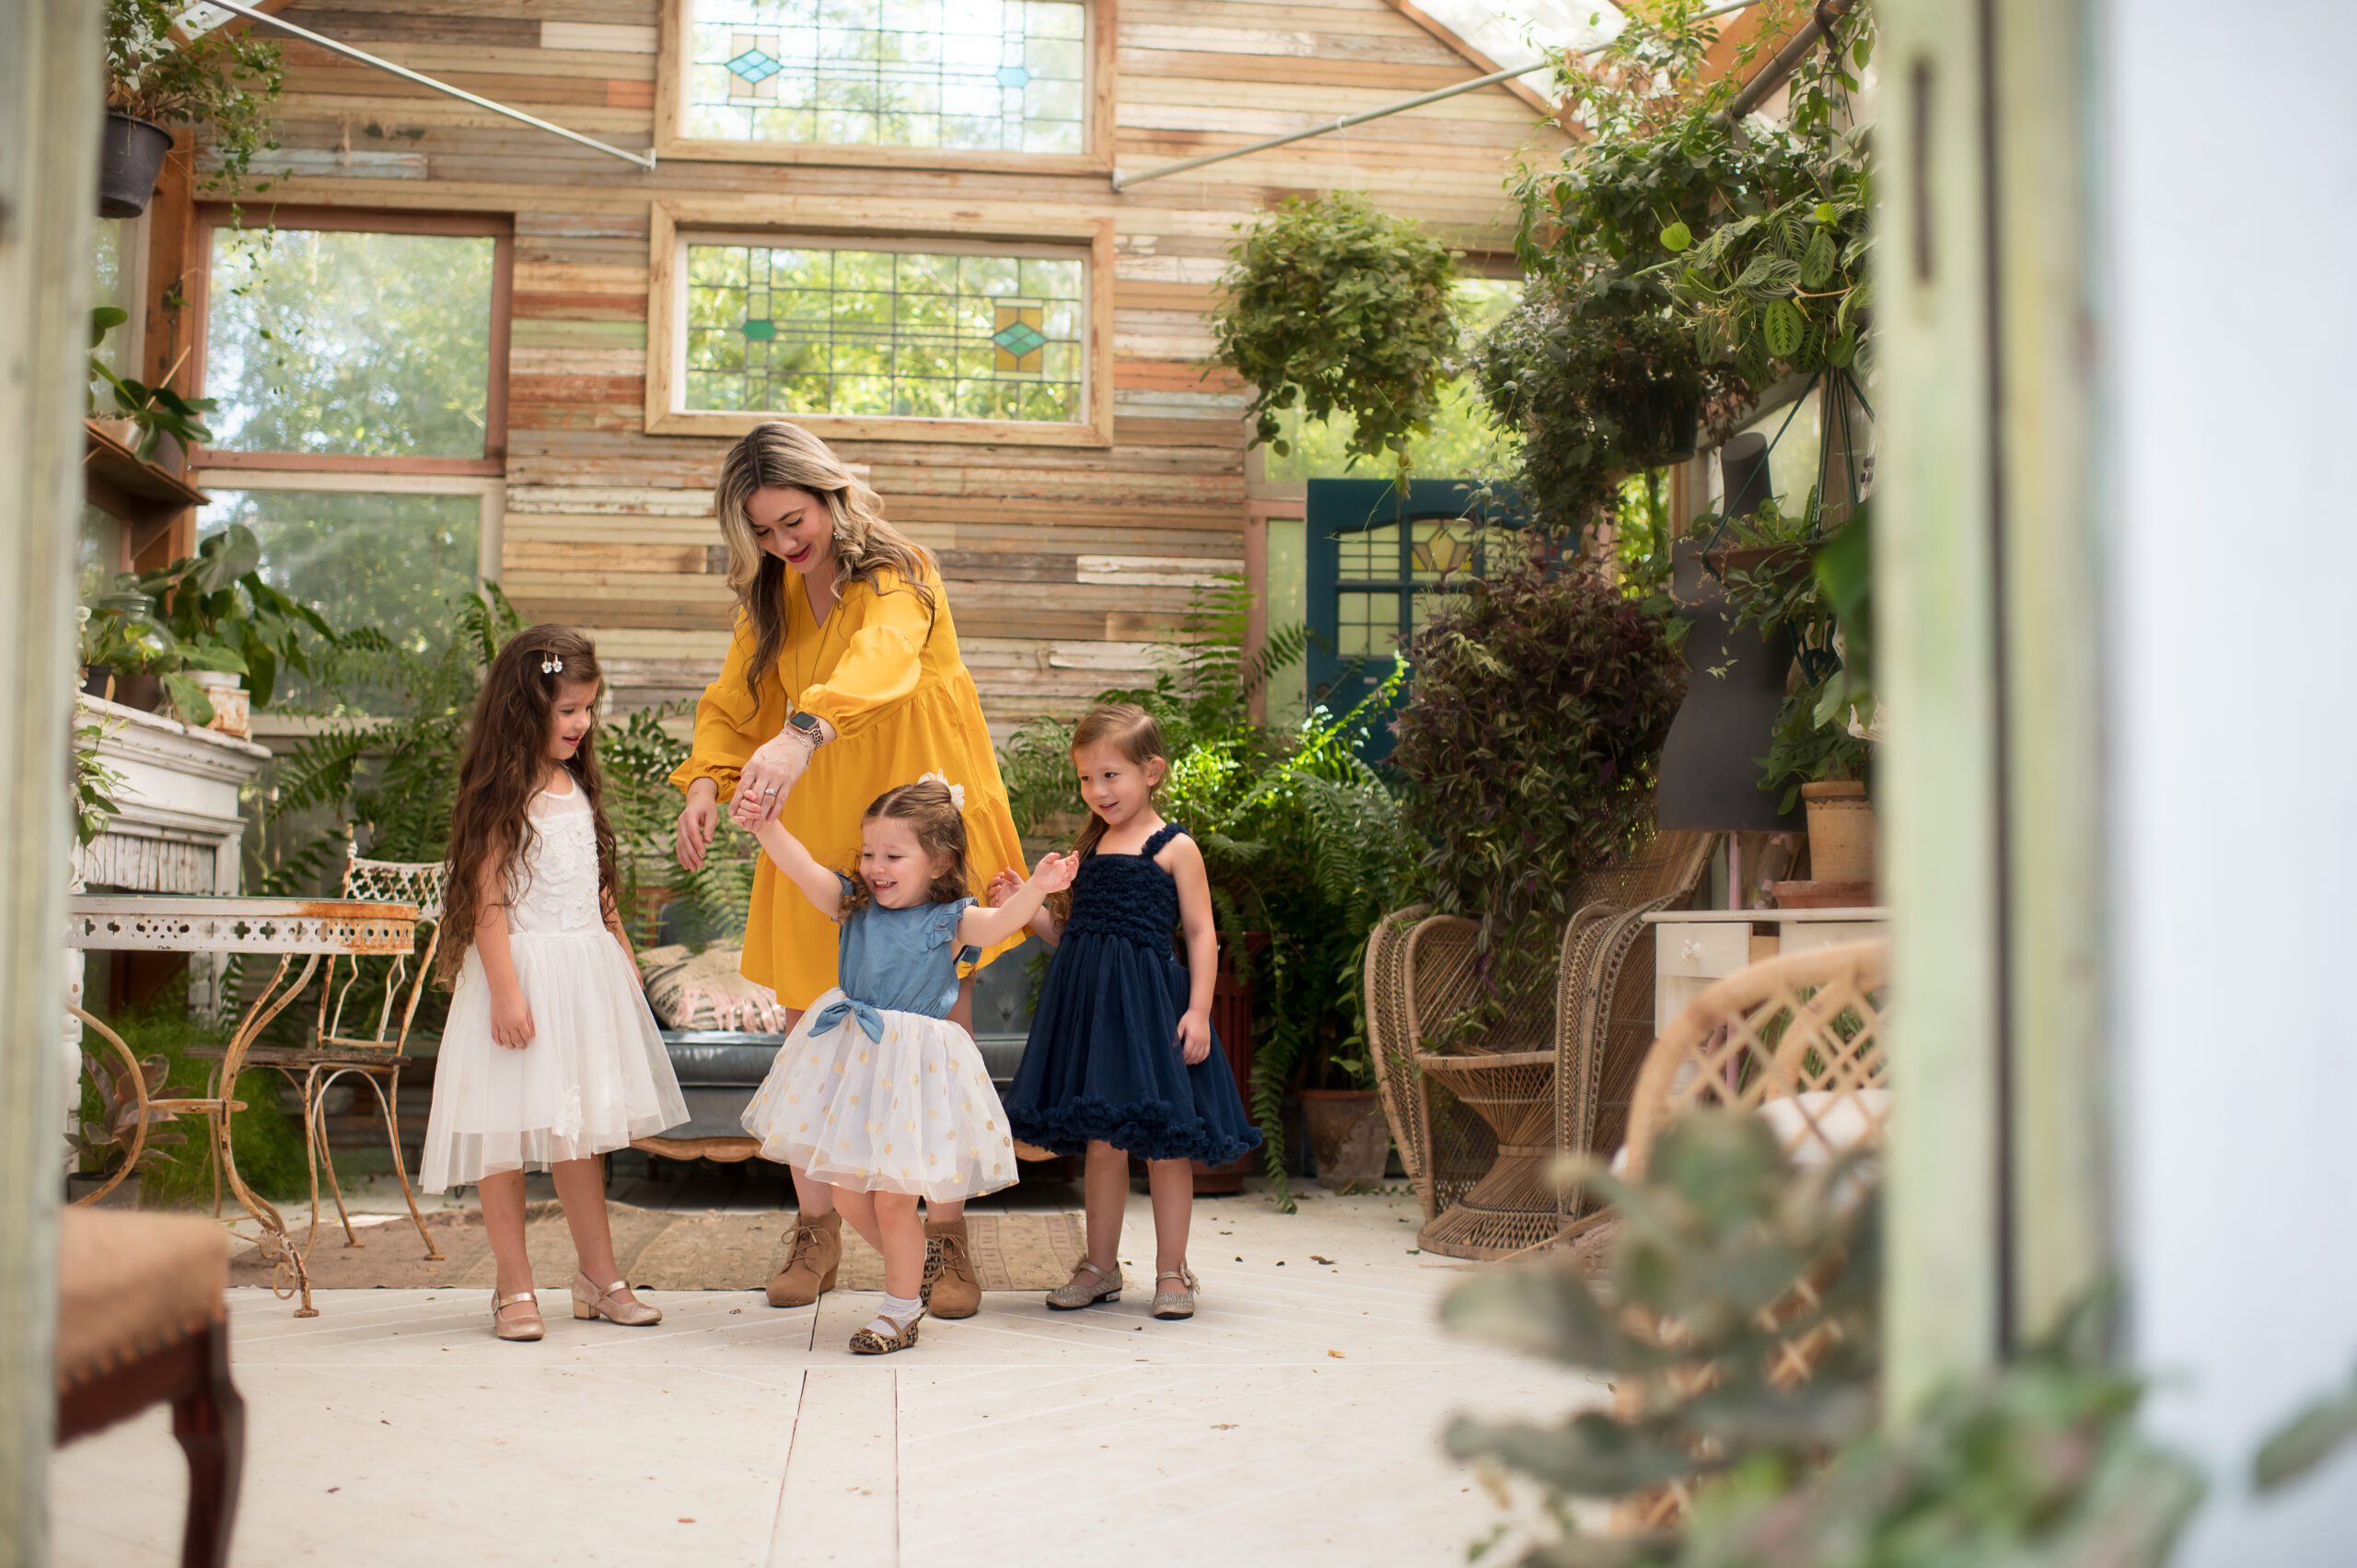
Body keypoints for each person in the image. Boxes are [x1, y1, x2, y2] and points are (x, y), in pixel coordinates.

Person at [670, 421, 1027, 1319]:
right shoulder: (774, 598)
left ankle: (944, 1238)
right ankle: (818, 1229)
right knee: (809, 1036)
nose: (784, 544)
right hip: (816, 821)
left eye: (794, 521)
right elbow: (735, 700)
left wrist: (802, 730)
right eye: (761, 530)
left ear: (831, 495)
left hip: (913, 813)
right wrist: (710, 781)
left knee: (928, 1032)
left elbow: (884, 661)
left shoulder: (900, 573)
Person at [740, 776, 1075, 1352]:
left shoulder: (949, 920)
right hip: (852, 1058)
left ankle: (898, 1313)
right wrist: (766, 826)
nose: (876, 866)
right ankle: (916, 1264)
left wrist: (1038, 888)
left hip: (910, 1070)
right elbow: (803, 870)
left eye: (894, 855)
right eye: (870, 853)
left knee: (894, 1196)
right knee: (846, 1194)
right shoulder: (854, 904)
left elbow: (998, 925)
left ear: (940, 861)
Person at [421, 628, 688, 1342]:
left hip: (583, 976)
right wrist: (506, 992)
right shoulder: (501, 793)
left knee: (581, 1134)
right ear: (522, 707)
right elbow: (487, 905)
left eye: (587, 709)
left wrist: (624, 956)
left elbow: (596, 889)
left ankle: (599, 1278)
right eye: (567, 709)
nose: (580, 724)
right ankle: (513, 1287)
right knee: (502, 1137)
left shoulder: (577, 784)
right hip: (521, 977)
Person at [994, 703, 1261, 1320]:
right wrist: (1027, 906)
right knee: (1101, 1143)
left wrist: (1198, 1010)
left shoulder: (1175, 847)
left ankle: (1172, 1269)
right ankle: (1100, 1264)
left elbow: (1200, 933)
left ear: (1152, 771)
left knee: (1165, 1141)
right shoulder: (1086, 849)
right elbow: (1074, 935)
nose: (1097, 790)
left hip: (1148, 1013)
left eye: (1110, 775)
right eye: (1086, 778)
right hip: (1090, 1013)